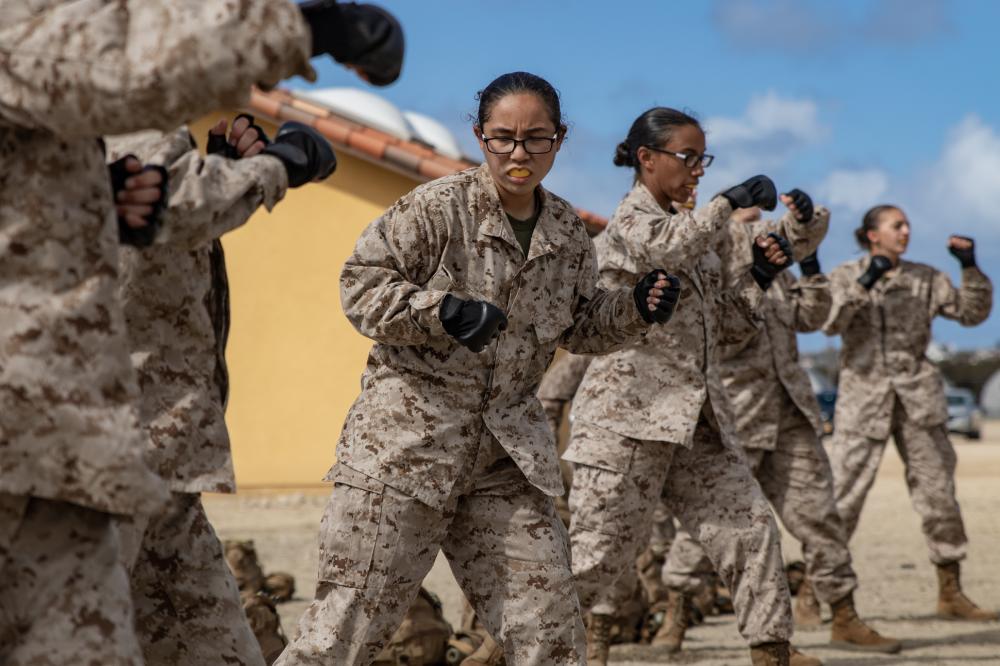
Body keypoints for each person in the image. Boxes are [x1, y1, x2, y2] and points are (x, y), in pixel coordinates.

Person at [0, 2, 401, 662]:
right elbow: (124, 73)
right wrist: (300, 37)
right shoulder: (65, 53)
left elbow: (145, 200)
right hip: (69, 446)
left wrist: (117, 193)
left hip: (130, 453)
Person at [276, 72, 681, 666]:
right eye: (503, 138)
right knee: (341, 637)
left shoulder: (568, 234)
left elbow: (580, 325)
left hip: (504, 461)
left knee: (551, 635)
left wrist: (635, 309)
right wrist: (439, 310)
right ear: (481, 137)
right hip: (404, 456)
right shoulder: (436, 208)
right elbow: (359, 287)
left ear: (559, 140)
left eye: (536, 138)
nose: (519, 153)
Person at [565, 106, 815, 666]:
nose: (698, 169)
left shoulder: (690, 235)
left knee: (751, 530)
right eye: (689, 157)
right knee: (596, 560)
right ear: (647, 159)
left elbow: (724, 327)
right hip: (627, 423)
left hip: (697, 422)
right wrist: (728, 201)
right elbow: (666, 249)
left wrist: (758, 277)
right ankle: (526, 650)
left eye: (704, 158)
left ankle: (771, 651)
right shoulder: (632, 224)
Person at [106, 115, 335, 666]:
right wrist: (276, 166)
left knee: (221, 647)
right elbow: (180, 203)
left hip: (171, 465)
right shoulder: (108, 130)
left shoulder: (158, 136)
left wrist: (227, 168)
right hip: (104, 464)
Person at [656, 202, 902, 656]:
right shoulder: (717, 272)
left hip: (791, 414)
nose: (756, 224)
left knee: (820, 517)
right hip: (739, 416)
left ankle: (844, 615)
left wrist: (809, 267)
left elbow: (813, 319)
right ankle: (675, 611)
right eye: (746, 217)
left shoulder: (781, 271)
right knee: (711, 524)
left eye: (760, 217)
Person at [823, 204, 995, 621]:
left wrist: (970, 268)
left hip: (919, 399)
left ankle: (950, 590)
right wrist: (867, 279)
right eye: (896, 225)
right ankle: (819, 592)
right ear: (872, 235)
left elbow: (972, 315)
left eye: (907, 225)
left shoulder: (926, 277)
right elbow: (829, 322)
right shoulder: (844, 275)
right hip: (863, 399)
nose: (906, 231)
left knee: (939, 497)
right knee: (841, 500)